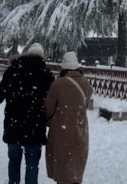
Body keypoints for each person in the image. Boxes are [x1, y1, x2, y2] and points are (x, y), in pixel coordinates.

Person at [0, 43, 54, 184]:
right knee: (32, 164)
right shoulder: (46, 75)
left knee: (14, 160)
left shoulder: (12, 71)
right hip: (35, 126)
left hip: (14, 125)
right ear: (42, 57)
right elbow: (52, 102)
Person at [45, 52, 93, 184]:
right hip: (80, 129)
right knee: (75, 164)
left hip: (61, 131)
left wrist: (50, 120)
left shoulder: (58, 84)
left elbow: (48, 109)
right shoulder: (85, 83)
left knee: (62, 165)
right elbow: (86, 103)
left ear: (64, 67)